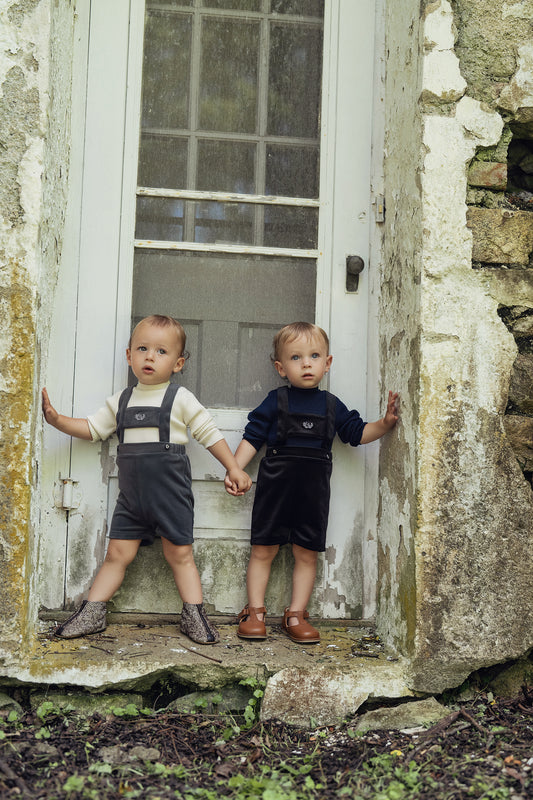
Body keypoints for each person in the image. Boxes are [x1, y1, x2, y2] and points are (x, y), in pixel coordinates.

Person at [42, 314, 251, 644]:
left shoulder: (179, 399)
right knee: (116, 555)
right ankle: (92, 612)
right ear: (129, 356)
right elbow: (92, 429)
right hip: (132, 501)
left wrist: (233, 467)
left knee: (179, 555)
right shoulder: (121, 401)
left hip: (171, 497)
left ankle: (194, 615)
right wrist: (57, 421)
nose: (150, 356)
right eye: (142, 349)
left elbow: (209, 433)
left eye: (161, 351)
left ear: (178, 363)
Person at [225, 321, 399, 644]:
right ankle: (255, 612)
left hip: (312, 495)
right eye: (296, 357)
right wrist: (235, 469)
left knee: (306, 554)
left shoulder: (332, 406)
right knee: (263, 550)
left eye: (314, 356)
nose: (306, 364)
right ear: (281, 368)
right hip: (274, 491)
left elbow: (358, 433)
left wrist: (385, 423)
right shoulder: (275, 401)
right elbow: (252, 437)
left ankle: (296, 615)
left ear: (327, 363)